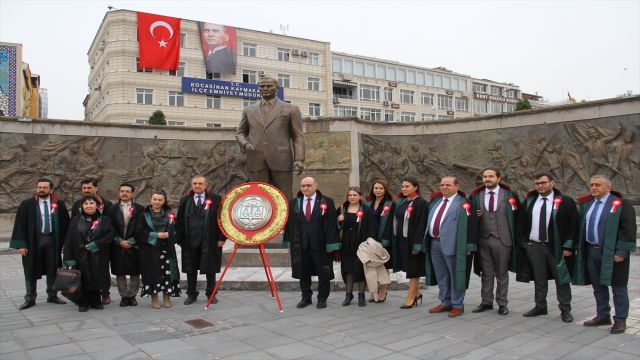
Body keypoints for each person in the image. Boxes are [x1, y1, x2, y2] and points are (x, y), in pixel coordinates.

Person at [573, 175, 636, 334]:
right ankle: (603, 315)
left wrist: (621, 251)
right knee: (597, 286)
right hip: (592, 251)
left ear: (609, 187)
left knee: (618, 286)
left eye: (598, 185)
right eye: (592, 185)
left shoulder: (620, 204)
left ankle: (620, 319)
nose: (593, 188)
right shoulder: (588, 205)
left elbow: (628, 229)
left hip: (612, 253)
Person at [516, 173, 577, 323]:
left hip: (556, 247)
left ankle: (565, 309)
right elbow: (521, 224)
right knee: (539, 278)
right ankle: (540, 306)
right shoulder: (530, 201)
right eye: (537, 183)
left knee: (561, 278)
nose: (540, 186)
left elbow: (574, 225)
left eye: (543, 182)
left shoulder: (565, 201)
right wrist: (524, 243)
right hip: (535, 246)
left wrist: (568, 246)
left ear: (552, 183)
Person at [235, 76, 305, 198]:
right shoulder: (248, 110)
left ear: (276, 88)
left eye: (269, 86)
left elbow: (297, 135)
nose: (265, 88)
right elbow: (240, 133)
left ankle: (287, 217)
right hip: (256, 158)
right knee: (258, 196)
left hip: (281, 159)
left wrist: (299, 158)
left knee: (284, 195)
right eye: (262, 86)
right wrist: (245, 144)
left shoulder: (290, 109)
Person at [10, 178, 70, 310]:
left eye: (45, 187)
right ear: (36, 188)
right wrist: (21, 245)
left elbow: (66, 224)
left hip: (53, 241)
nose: (42, 189)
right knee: (30, 269)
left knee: (53, 268)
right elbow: (19, 225)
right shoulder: (27, 204)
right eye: (39, 187)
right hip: (33, 241)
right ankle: (30, 298)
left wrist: (65, 242)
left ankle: (52, 295)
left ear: (51, 189)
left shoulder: (58, 204)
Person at [283, 177, 340, 309]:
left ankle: (322, 298)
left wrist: (331, 245)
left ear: (315, 186)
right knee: (303, 273)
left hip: (320, 245)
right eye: (303, 186)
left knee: (323, 273)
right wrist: (289, 244)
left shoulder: (326, 202)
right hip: (301, 245)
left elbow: (332, 223)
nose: (306, 188)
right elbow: (289, 225)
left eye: (309, 185)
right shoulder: (293, 203)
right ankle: (306, 297)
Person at [469, 167, 519, 315]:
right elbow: (469, 215)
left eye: (491, 176)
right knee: (486, 273)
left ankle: (502, 303)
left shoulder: (509, 195)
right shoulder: (477, 196)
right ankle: (486, 302)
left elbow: (518, 216)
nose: (487, 179)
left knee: (502, 273)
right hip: (483, 239)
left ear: (498, 179)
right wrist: (475, 215)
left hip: (503, 240)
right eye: (485, 177)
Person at [424, 176, 475, 317]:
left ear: (456, 187)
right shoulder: (436, 202)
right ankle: (445, 302)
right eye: (442, 185)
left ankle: (457, 304)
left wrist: (469, 247)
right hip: (434, 244)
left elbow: (471, 226)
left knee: (455, 275)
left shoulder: (464, 203)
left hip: (454, 245)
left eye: (448, 185)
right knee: (442, 275)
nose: (444, 187)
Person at [176, 175, 225, 305]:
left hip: (210, 240)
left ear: (206, 185)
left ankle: (211, 294)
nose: (197, 186)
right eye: (195, 183)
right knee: (190, 268)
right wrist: (180, 239)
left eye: (200, 183)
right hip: (190, 240)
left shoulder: (215, 199)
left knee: (210, 268)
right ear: (191, 185)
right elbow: (180, 221)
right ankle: (191, 294)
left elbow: (222, 219)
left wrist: (221, 238)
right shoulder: (185, 201)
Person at [63, 196, 115, 312]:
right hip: (80, 254)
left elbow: (110, 234)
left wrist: (97, 244)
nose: (88, 206)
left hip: (98, 254)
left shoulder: (105, 220)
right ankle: (83, 301)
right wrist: (68, 257)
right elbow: (70, 239)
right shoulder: (76, 220)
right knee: (83, 277)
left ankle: (96, 299)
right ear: (82, 206)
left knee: (97, 277)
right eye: (85, 204)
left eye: (91, 203)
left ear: (97, 206)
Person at [71, 178, 113, 305]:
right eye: (84, 188)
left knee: (103, 270)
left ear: (96, 188)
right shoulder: (77, 204)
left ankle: (105, 293)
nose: (86, 190)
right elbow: (73, 225)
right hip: (83, 245)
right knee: (85, 269)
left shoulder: (107, 204)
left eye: (89, 188)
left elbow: (109, 225)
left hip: (102, 244)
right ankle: (85, 295)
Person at [137, 190, 181, 309]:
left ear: (164, 201)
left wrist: (169, 234)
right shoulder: (144, 214)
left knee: (167, 273)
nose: (157, 202)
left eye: (160, 200)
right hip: (150, 249)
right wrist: (155, 235)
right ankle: (154, 297)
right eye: (155, 199)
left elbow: (176, 229)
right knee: (152, 273)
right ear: (151, 200)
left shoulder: (169, 213)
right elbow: (139, 231)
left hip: (166, 248)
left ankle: (167, 296)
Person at [104, 183, 144, 307]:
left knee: (134, 272)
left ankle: (132, 296)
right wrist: (119, 240)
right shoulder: (111, 209)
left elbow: (142, 227)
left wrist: (131, 241)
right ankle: (123, 296)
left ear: (132, 193)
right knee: (119, 272)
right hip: (117, 245)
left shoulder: (140, 209)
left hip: (134, 245)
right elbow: (108, 227)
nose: (124, 193)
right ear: (119, 192)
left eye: (127, 191)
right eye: (122, 191)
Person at [393, 177, 428, 309]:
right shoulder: (402, 202)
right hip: (402, 240)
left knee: (414, 269)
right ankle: (417, 293)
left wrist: (417, 244)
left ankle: (410, 297)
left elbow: (421, 225)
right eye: (403, 187)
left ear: (415, 187)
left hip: (414, 241)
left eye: (407, 186)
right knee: (408, 266)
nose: (404, 189)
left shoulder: (421, 203)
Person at [337, 187, 374, 307]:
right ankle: (348, 295)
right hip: (346, 245)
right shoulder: (342, 209)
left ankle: (361, 295)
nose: (352, 197)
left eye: (355, 195)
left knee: (360, 269)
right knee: (348, 269)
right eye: (350, 195)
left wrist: (369, 244)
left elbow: (371, 228)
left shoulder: (366, 210)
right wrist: (338, 220)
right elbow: (333, 226)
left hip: (361, 245)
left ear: (359, 196)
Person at [365, 179, 395, 302]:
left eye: (381, 188)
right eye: (376, 188)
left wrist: (385, 241)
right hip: (370, 239)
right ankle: (374, 290)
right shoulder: (368, 204)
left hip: (383, 239)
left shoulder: (390, 204)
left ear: (385, 189)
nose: (378, 190)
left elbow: (391, 223)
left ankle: (383, 291)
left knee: (383, 266)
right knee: (372, 266)